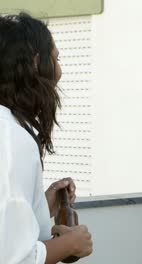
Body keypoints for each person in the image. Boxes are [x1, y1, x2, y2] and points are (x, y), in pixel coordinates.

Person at [0, 13, 93, 264]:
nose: (59, 72)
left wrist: (41, 204)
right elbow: (13, 258)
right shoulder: (11, 139)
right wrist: (70, 244)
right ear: (35, 62)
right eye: (56, 59)